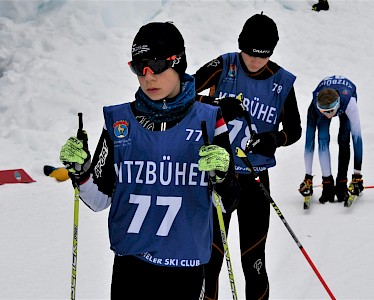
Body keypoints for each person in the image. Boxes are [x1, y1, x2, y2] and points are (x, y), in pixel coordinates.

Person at [59, 21, 239, 299]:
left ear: (178, 63)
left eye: (156, 65)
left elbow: (228, 201)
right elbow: (98, 200)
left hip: (184, 268)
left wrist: (222, 175)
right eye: (138, 67)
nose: (148, 77)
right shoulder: (120, 122)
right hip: (131, 267)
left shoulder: (209, 120)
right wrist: (80, 172)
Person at [194, 12, 302, 300]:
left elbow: (295, 130)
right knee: (210, 260)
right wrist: (216, 103)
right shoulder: (224, 64)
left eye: (262, 56)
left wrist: (274, 139)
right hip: (219, 178)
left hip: (255, 180)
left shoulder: (282, 81)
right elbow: (180, 94)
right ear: (240, 45)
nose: (254, 61)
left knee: (253, 262)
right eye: (249, 53)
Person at [298, 75, 364, 203]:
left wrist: (357, 175)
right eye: (323, 111)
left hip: (345, 98)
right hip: (328, 101)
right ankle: (327, 182)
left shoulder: (349, 103)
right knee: (322, 139)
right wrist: (308, 177)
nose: (328, 115)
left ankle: (341, 181)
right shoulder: (315, 106)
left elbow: (357, 139)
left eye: (330, 111)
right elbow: (309, 143)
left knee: (344, 139)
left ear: (337, 104)